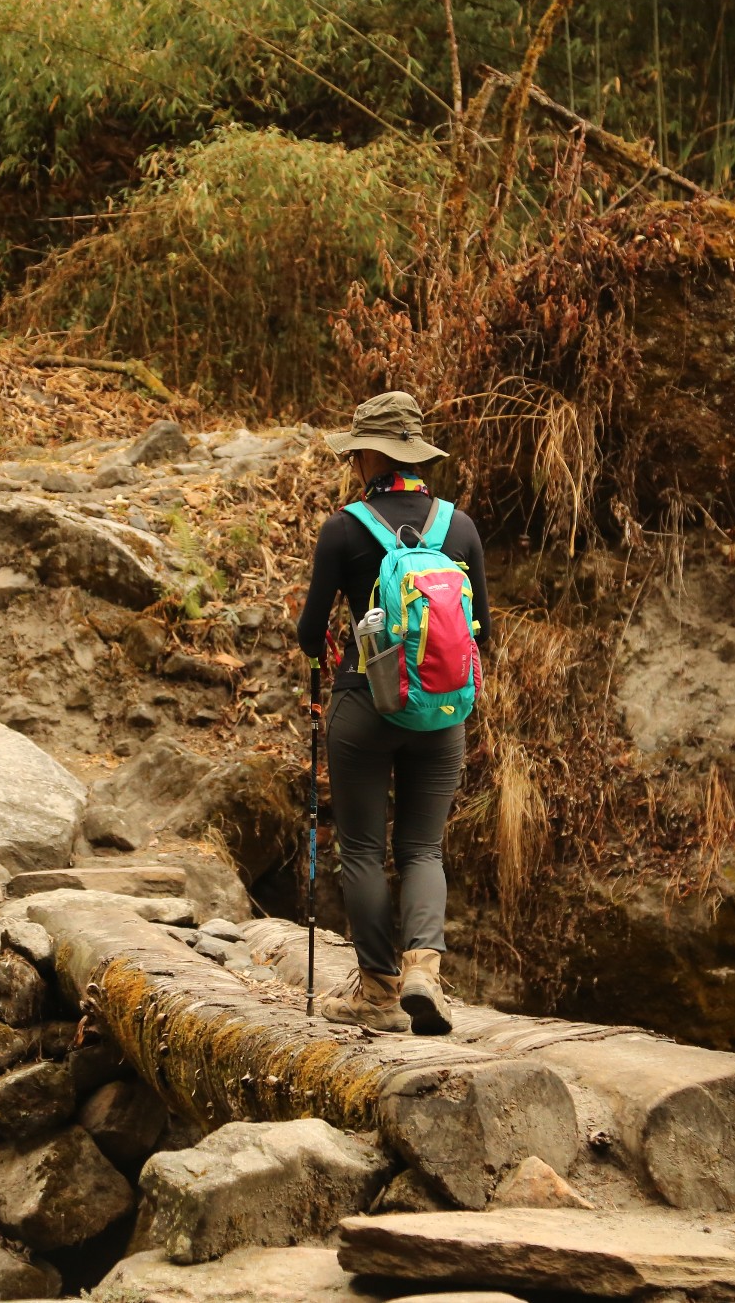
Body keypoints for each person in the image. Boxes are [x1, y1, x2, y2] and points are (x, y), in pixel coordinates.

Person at [296, 390, 492, 1034]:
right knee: (422, 849)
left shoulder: (344, 528)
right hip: (440, 712)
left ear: (371, 455)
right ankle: (423, 973)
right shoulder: (458, 528)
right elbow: (481, 628)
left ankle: (377, 989)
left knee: (360, 847)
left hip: (364, 704)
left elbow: (307, 632)